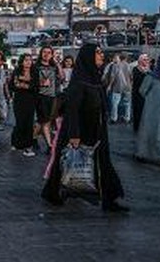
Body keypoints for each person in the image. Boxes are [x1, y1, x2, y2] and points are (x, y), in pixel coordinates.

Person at [42, 43, 128, 212]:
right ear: (88, 57)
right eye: (97, 53)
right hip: (80, 131)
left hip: (97, 130)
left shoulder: (95, 79)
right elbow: (72, 111)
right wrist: (74, 135)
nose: (101, 56)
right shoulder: (79, 82)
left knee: (103, 163)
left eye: (101, 52)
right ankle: (52, 192)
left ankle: (110, 199)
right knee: (66, 162)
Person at [10, 53, 37, 156]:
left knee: (29, 123)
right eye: (26, 60)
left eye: (30, 60)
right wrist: (27, 85)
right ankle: (16, 143)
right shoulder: (16, 71)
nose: (28, 62)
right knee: (19, 122)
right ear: (22, 61)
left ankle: (28, 146)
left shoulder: (34, 72)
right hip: (19, 100)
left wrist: (23, 85)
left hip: (31, 100)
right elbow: (13, 85)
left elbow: (36, 87)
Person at [33, 46, 59, 149]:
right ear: (41, 53)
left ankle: (33, 138)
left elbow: (62, 76)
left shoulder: (54, 66)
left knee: (41, 121)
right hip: (41, 96)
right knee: (45, 121)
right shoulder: (36, 66)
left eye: (49, 52)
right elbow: (32, 81)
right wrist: (41, 83)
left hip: (52, 96)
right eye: (44, 52)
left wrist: (57, 62)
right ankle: (50, 145)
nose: (46, 54)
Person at [105, 53, 133, 124]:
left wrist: (110, 86)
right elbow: (131, 77)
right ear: (126, 58)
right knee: (127, 104)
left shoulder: (115, 65)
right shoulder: (128, 66)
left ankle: (114, 118)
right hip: (127, 87)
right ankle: (127, 118)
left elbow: (113, 76)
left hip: (117, 87)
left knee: (115, 103)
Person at [131, 54, 150, 132]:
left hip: (146, 94)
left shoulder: (149, 70)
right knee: (137, 111)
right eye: (144, 60)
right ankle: (137, 127)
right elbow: (136, 80)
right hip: (137, 93)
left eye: (147, 60)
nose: (146, 61)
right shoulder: (135, 69)